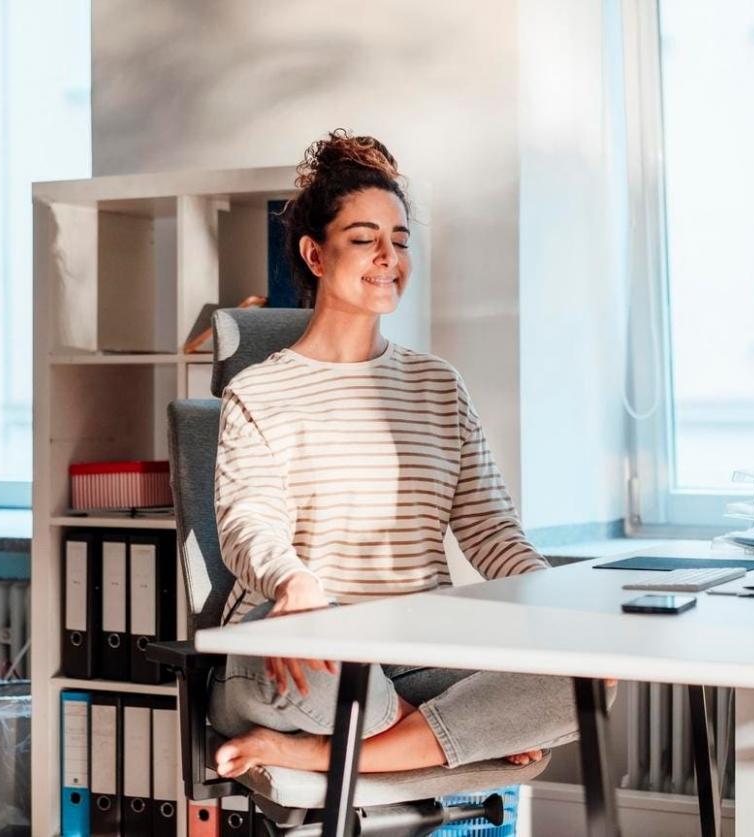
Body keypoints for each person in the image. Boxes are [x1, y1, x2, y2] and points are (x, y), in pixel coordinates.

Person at [208, 130, 608, 779]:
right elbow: (248, 518)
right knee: (334, 675)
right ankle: (442, 731)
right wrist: (293, 579)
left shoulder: (436, 384)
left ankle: (321, 753)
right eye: (364, 238)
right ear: (314, 253)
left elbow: (490, 529)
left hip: (416, 645)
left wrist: (553, 604)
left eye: (399, 240)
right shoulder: (259, 390)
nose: (387, 256)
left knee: (591, 675)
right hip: (302, 643)